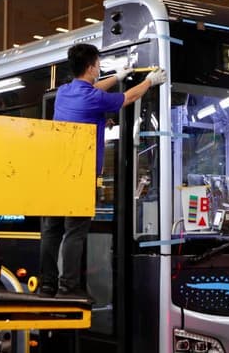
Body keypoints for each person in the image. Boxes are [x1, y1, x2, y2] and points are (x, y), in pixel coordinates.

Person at [40, 43, 167, 298]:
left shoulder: (64, 92)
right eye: (98, 65)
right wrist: (150, 81)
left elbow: (93, 90)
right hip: (79, 174)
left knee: (52, 230)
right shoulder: (93, 99)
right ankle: (68, 287)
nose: (99, 69)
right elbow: (128, 98)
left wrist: (117, 77)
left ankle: (47, 285)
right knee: (75, 232)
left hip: (55, 172)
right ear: (90, 68)